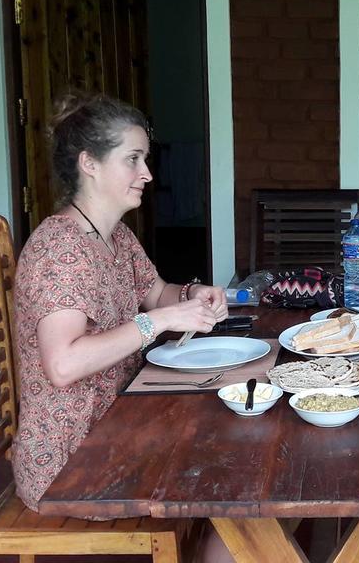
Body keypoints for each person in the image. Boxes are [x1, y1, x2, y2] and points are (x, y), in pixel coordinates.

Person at [12, 92, 228, 512]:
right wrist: (162, 320)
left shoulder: (115, 236)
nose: (147, 173)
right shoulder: (61, 249)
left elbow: (158, 292)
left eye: (145, 159)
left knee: (227, 444)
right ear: (89, 163)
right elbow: (64, 365)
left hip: (119, 423)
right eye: (133, 159)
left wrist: (192, 295)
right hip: (74, 458)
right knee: (227, 466)